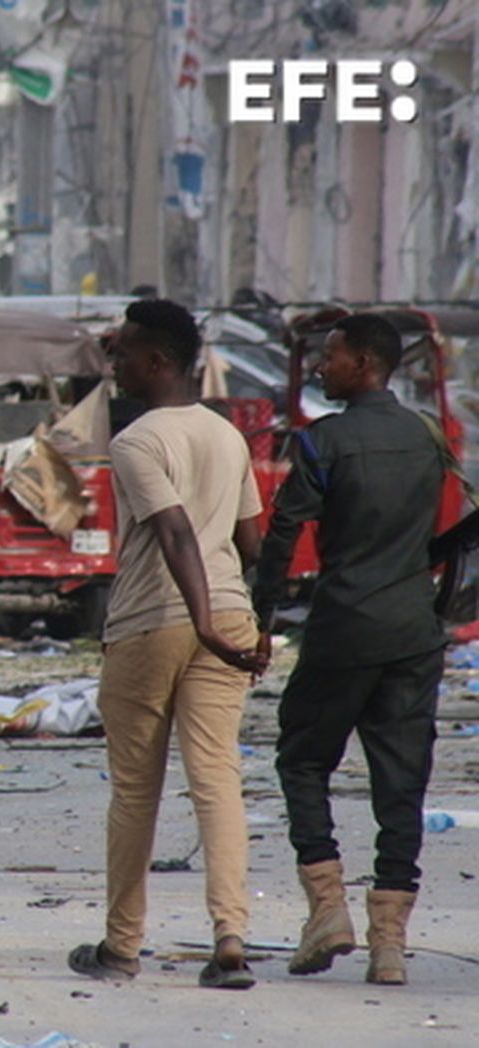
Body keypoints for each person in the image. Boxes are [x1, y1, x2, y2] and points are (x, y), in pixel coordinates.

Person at [68, 298, 267, 990]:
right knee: (218, 781)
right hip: (230, 616)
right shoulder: (227, 436)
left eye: (121, 353)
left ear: (157, 362)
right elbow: (250, 542)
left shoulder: (136, 440)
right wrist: (242, 622)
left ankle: (122, 947)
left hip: (155, 620)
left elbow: (176, 532)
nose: (113, 364)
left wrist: (205, 620)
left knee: (135, 791)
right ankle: (232, 940)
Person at [253, 313, 446, 987]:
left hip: (343, 629)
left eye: (330, 359)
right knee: (402, 784)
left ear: (364, 363)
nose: (318, 368)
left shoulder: (322, 442)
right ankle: (388, 944)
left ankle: (327, 909)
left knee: (302, 760)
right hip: (415, 631)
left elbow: (283, 533)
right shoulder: (425, 435)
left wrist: (259, 617)